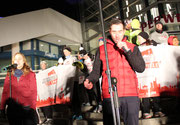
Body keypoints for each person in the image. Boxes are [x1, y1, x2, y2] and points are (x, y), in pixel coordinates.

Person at [84, 18, 145, 125]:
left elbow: (140, 68)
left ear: (124, 30)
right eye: (114, 32)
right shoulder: (102, 49)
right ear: (109, 31)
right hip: (109, 95)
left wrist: (127, 51)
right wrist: (90, 79)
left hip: (130, 95)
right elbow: (96, 71)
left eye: (120, 31)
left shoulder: (132, 47)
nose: (117, 35)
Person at [0, 52, 37, 125]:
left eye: (20, 59)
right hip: (12, 108)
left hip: (27, 108)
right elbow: (5, 92)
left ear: (24, 61)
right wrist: (2, 108)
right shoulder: (9, 74)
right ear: (13, 62)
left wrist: (33, 108)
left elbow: (33, 91)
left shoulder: (30, 74)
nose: (18, 61)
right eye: (16, 59)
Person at [138, 31, 165, 119]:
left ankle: (157, 110)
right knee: (145, 92)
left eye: (139, 38)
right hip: (144, 74)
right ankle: (146, 111)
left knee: (155, 92)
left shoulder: (153, 45)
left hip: (153, 72)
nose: (138, 39)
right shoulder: (138, 48)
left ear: (144, 38)